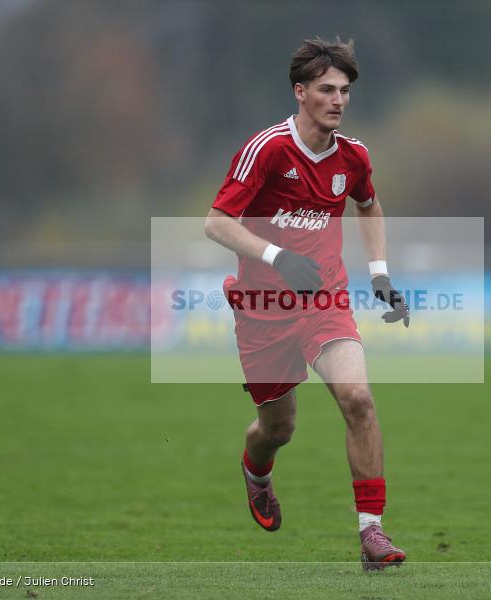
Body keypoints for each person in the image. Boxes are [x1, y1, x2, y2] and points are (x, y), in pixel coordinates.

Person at [204, 38, 410, 570]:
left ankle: (372, 532)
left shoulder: (353, 156)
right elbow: (216, 223)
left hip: (325, 301)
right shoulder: (267, 150)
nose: (338, 100)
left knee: (358, 399)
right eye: (326, 90)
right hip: (262, 309)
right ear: (300, 92)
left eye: (345, 91)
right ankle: (257, 472)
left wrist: (380, 274)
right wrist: (277, 257)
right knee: (278, 429)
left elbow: (369, 205)